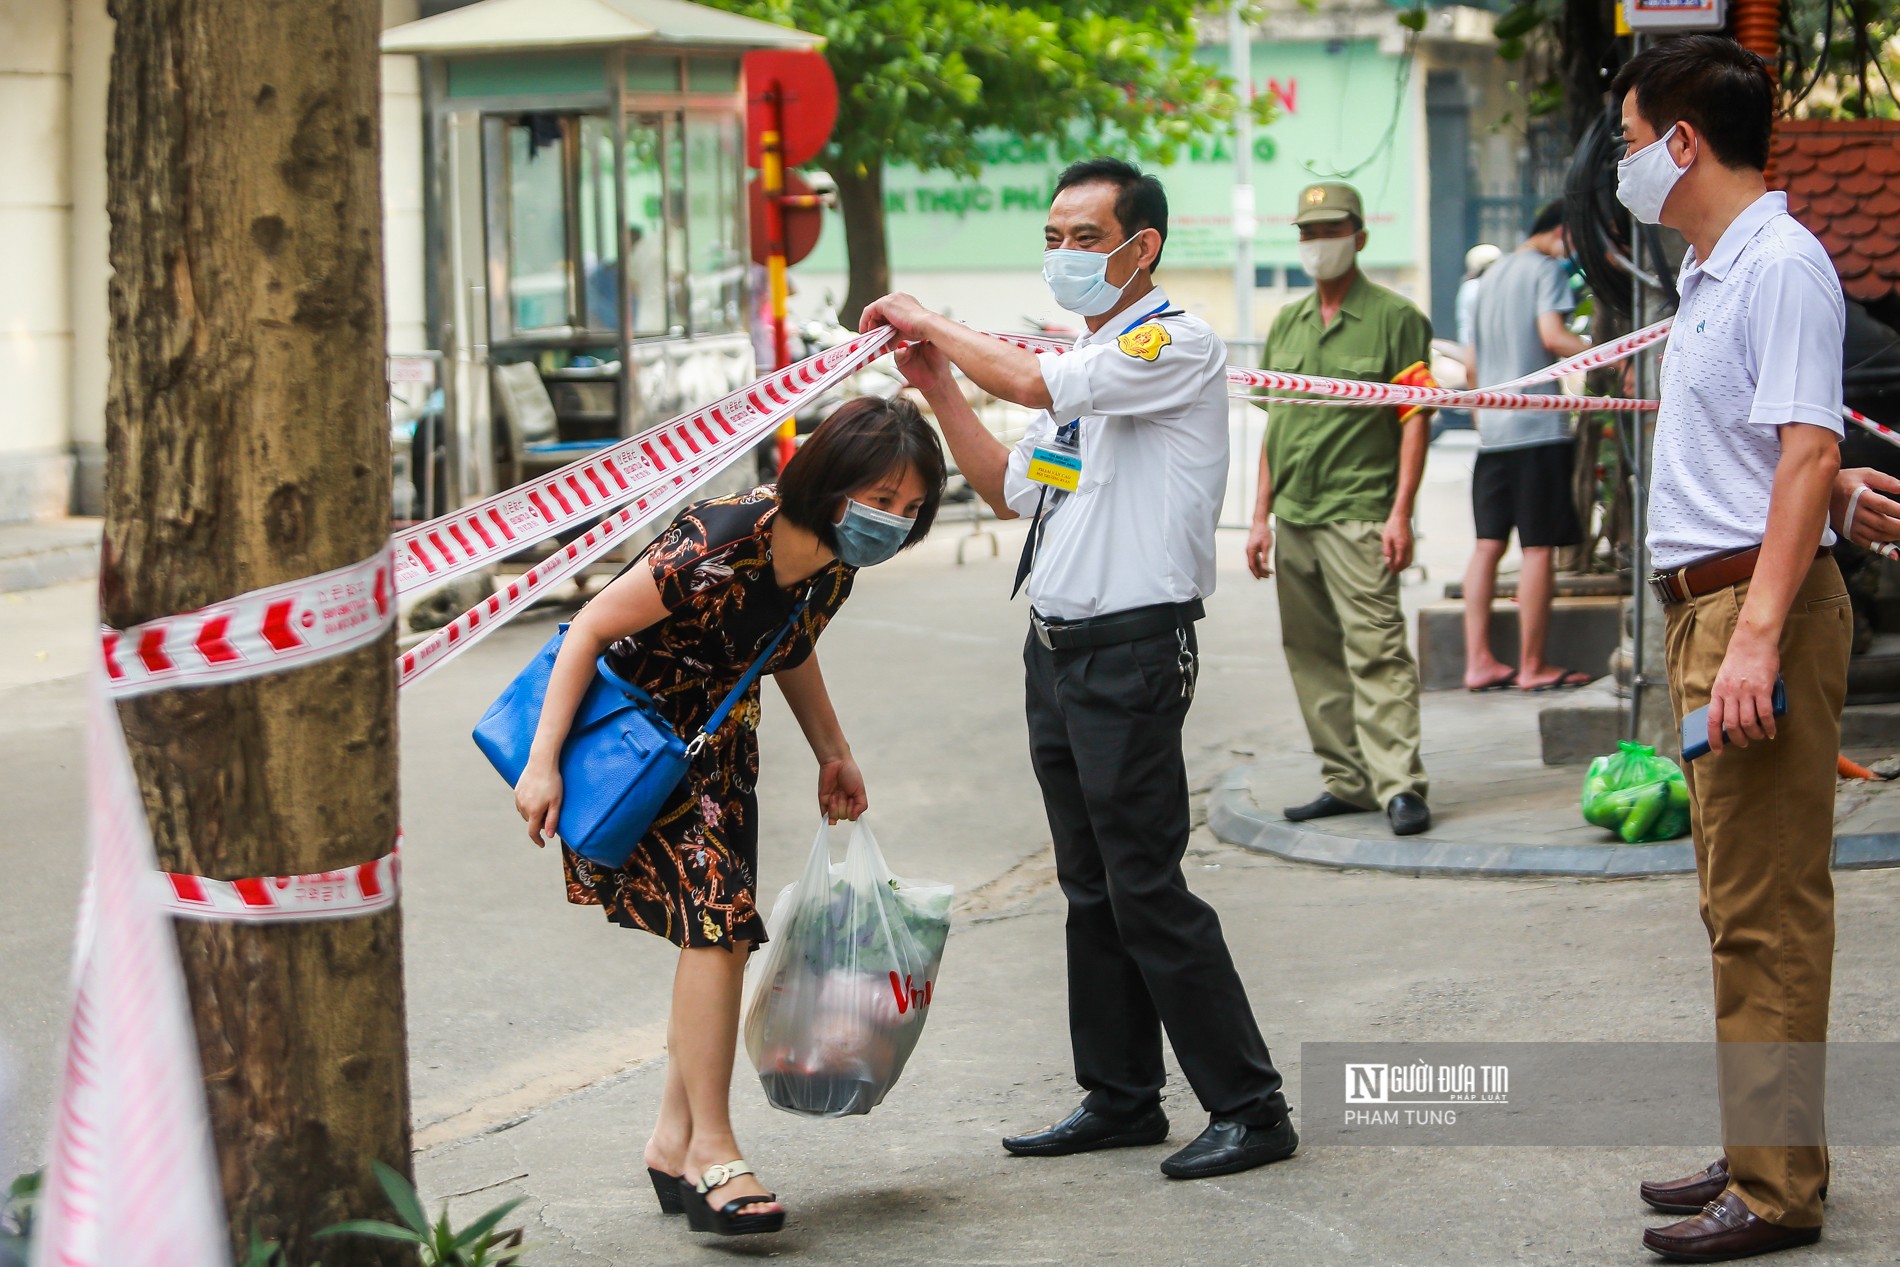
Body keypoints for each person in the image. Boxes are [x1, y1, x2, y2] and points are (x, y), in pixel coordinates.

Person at [858, 157, 1298, 1181]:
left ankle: (1249, 1103)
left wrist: (932, 322)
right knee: (1089, 884)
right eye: (1051, 239)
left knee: (1144, 881)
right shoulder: (1086, 374)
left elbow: (1027, 377)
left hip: (1132, 650)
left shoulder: (1166, 345)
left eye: (1084, 239)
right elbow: (1014, 487)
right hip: (1055, 650)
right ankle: (1119, 1094)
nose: (1063, 256)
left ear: (1140, 248)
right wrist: (935, 387)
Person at [511, 397, 946, 1237]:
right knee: (716, 924)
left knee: (726, 938)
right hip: (633, 746)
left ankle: (672, 1140)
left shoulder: (833, 567)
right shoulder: (722, 535)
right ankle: (715, 1148)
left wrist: (834, 749)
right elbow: (591, 628)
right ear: (828, 479)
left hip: (715, 761)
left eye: (908, 507)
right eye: (879, 497)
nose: (892, 519)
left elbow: (791, 646)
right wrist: (540, 763)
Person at [1611, 36, 1848, 1263]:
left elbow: (1806, 451)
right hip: (1708, 610)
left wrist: (1753, 644)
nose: (1623, 162)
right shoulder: (1717, 271)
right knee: (1731, 899)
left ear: (1681, 144)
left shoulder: (1782, 266)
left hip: (1753, 613)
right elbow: (1787, 454)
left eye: (1629, 137)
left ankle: (1774, 1190)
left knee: (1765, 908)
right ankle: (1763, 1140)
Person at [1243, 181, 1436, 837]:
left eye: (1330, 231)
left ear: (1359, 237)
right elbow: (1273, 426)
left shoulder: (1395, 317)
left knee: (1377, 650)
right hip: (1295, 513)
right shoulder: (1288, 325)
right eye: (1308, 232)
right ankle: (1348, 780)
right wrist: (1259, 515)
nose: (1318, 243)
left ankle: (1400, 785)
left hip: (1360, 510)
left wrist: (1400, 512)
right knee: (1313, 652)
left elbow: (1415, 418)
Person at [1461, 202, 1597, 693]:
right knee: (1538, 549)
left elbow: (1473, 366)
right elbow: (1552, 335)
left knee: (1486, 547)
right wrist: (1607, 349)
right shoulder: (1545, 270)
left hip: (1493, 432)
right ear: (1561, 231)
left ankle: (1478, 661)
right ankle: (1533, 665)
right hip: (1539, 429)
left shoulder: (1488, 278)